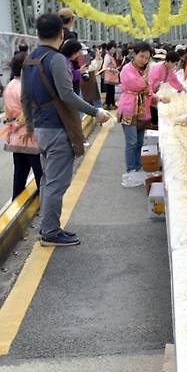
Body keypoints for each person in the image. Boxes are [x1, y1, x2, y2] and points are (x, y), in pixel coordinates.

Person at [21, 13, 111, 247]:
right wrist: (95, 112)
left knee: (48, 180)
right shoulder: (56, 59)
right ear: (61, 34)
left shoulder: (29, 60)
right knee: (57, 183)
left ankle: (47, 227)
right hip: (58, 128)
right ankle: (51, 232)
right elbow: (67, 94)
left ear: (38, 34)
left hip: (41, 128)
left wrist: (30, 125)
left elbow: (24, 97)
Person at [3, 52, 43, 199]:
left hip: (14, 136)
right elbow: (30, 112)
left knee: (19, 173)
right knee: (40, 174)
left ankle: (16, 202)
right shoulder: (26, 87)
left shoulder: (10, 85)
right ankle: (44, 204)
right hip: (30, 136)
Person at [117, 41, 155, 178]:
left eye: (146, 58)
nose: (144, 60)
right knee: (131, 141)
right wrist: (145, 82)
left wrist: (155, 96)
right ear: (134, 54)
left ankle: (138, 166)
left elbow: (148, 88)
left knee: (139, 142)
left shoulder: (143, 70)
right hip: (128, 108)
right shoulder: (127, 69)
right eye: (142, 56)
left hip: (142, 109)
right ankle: (130, 168)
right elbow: (136, 84)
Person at [102, 41, 119, 109]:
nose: (114, 50)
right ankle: (109, 104)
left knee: (112, 91)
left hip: (112, 77)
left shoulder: (111, 56)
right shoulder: (107, 56)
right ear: (109, 48)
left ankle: (112, 103)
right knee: (110, 91)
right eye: (113, 48)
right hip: (109, 77)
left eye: (115, 48)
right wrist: (112, 70)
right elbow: (104, 67)